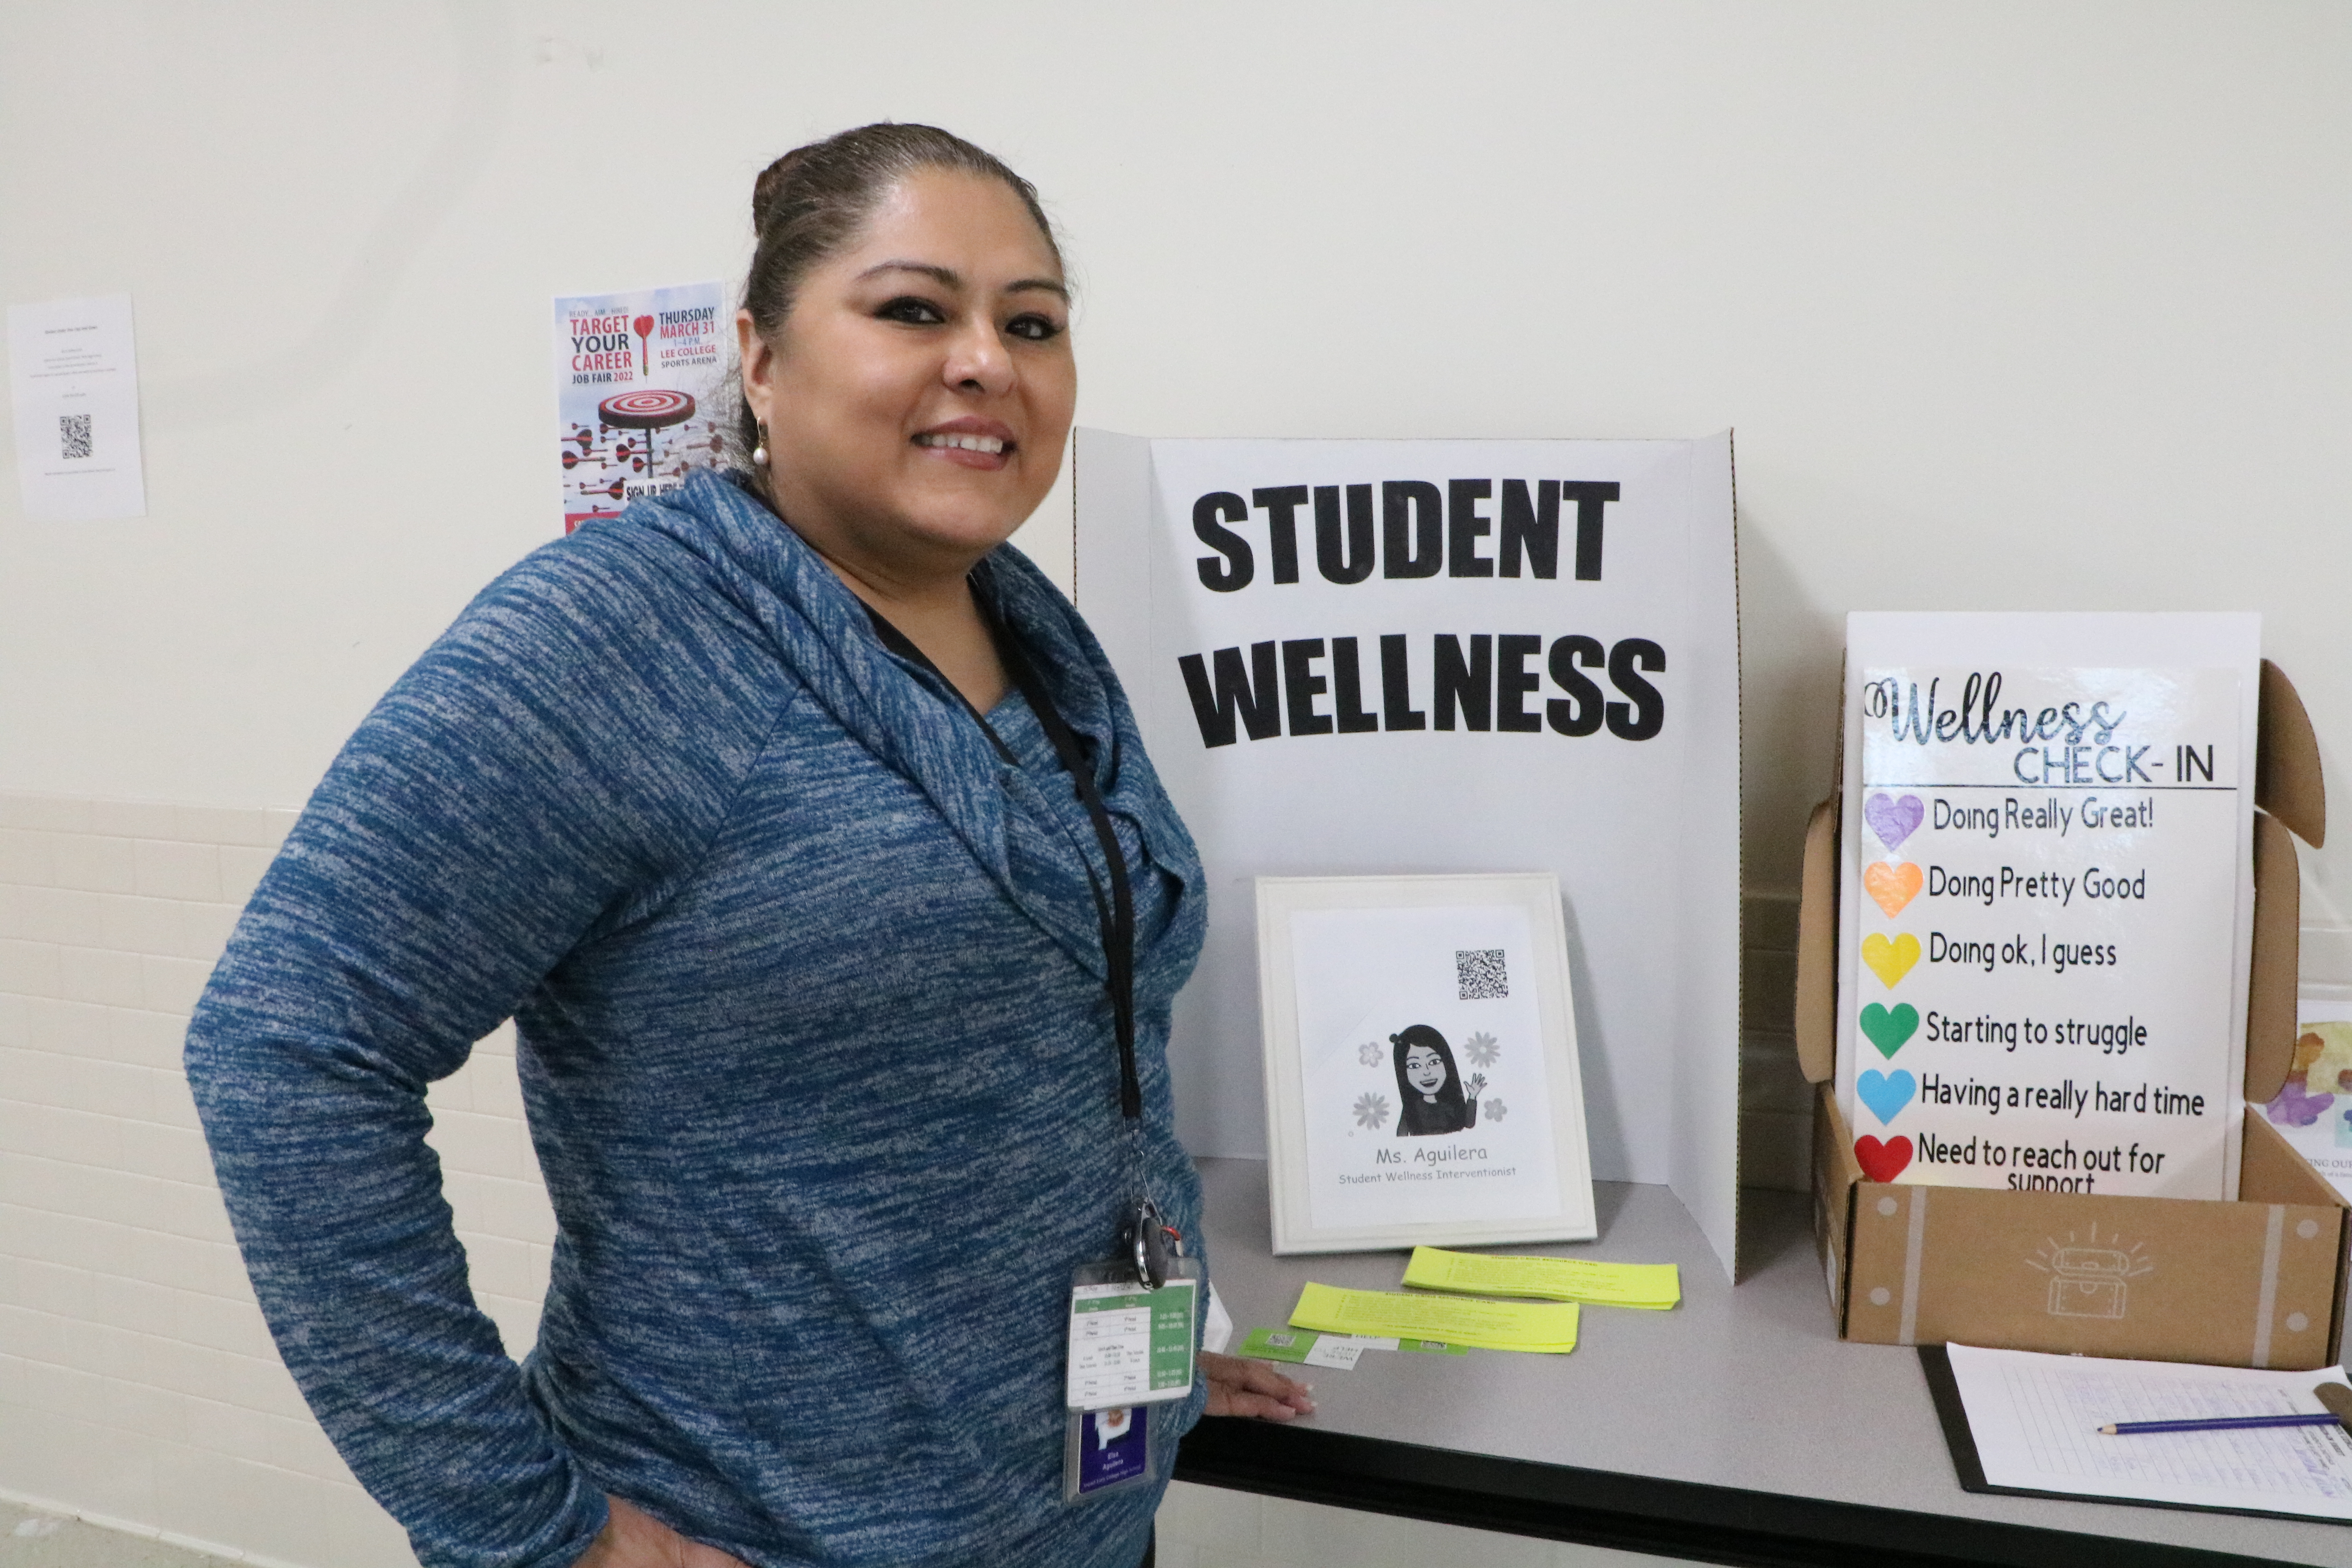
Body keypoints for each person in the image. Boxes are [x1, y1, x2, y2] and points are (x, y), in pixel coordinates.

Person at [185, 123, 1310, 1568]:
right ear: (762, 360)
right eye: (914, 309)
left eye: (1032, 323)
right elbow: (283, 1045)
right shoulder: (619, 636)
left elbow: (1063, 1049)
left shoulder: (1029, 627)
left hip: (1076, 1520)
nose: (986, 360)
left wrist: (1133, 1371)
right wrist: (530, 1526)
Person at [1391, 1025, 1485, 1137]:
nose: (1427, 1072)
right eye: (1415, 1066)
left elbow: (1469, 1124)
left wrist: (1473, 1096)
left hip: (1455, 1152)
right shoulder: (1412, 1109)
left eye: (1434, 1062)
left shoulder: (1450, 1104)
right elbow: (1401, 1137)